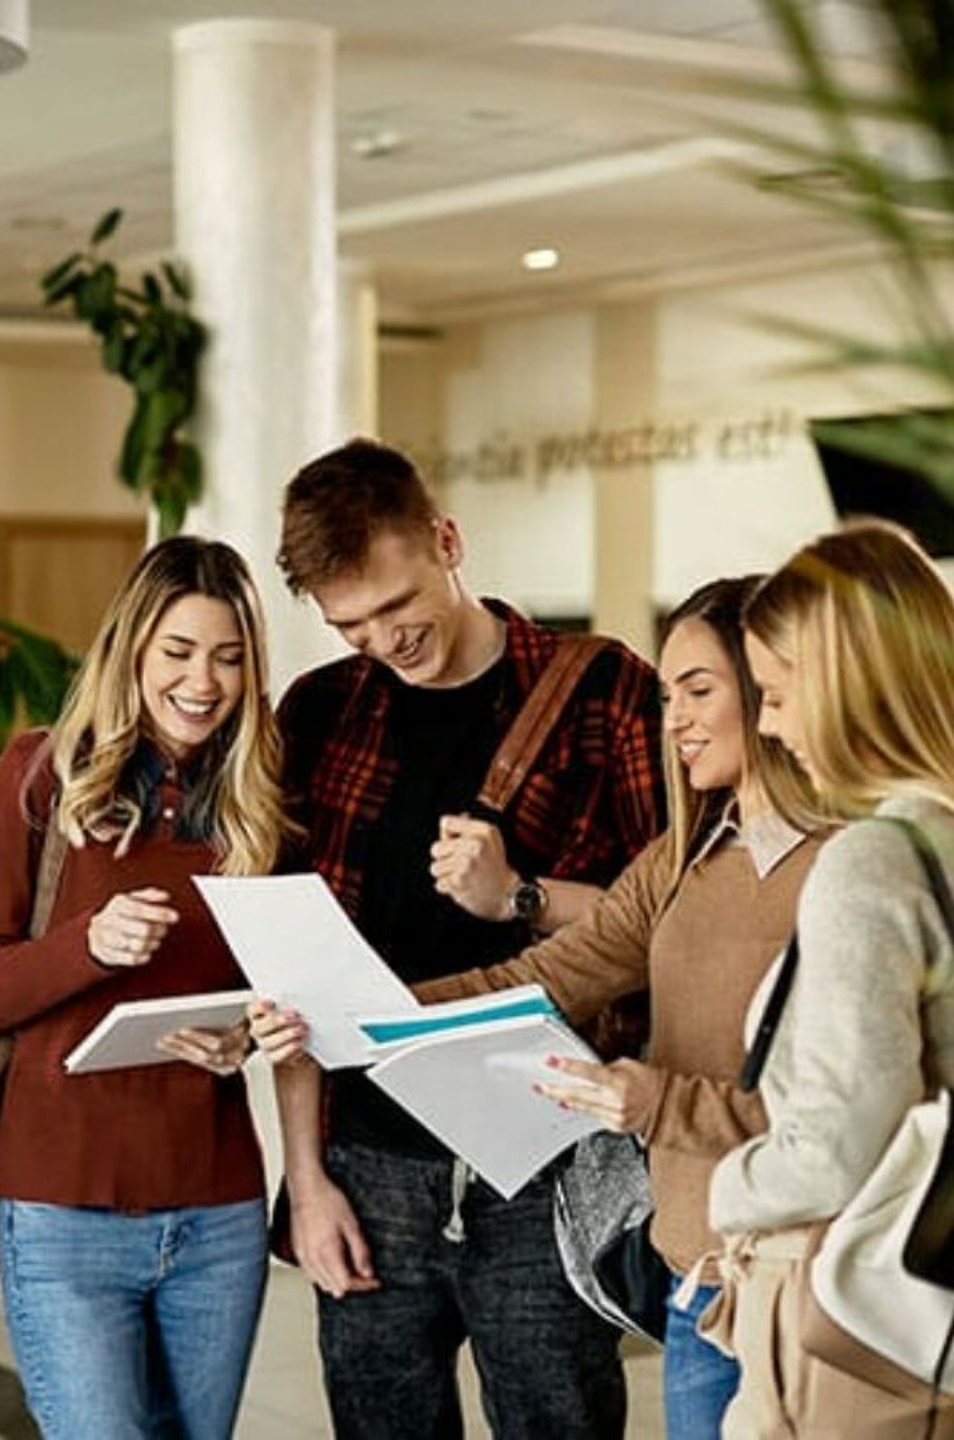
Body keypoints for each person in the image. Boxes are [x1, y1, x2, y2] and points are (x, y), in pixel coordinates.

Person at [309, 576, 820, 1440]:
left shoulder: (853, 864)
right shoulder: (683, 857)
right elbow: (546, 976)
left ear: (774, 685)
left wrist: (651, 1100)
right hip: (698, 1283)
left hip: (810, 1290)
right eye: (667, 696)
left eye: (700, 691)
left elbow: (852, 1110)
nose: (676, 720)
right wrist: (347, 1016)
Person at [254, 438, 664, 1440]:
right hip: (368, 1165)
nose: (384, 640)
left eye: (398, 606)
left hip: (544, 1158)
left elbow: (670, 918)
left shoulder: (605, 693)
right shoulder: (319, 713)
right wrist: (306, 1184)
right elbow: (294, 972)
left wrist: (521, 897)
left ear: (446, 540)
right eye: (350, 624)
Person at [0, 535, 295, 1440]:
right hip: (63, 1213)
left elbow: (280, 983)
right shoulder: (37, 778)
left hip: (218, 1210)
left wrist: (245, 1037)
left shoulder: (255, 797)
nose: (203, 682)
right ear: (131, 649)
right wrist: (89, 946)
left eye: (228, 657)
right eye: (178, 653)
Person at [705, 521, 954, 1439]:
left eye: (773, 693)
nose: (768, 725)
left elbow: (840, 1146)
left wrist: (727, 1190)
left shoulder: (873, 862)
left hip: (848, 1310)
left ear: (850, 684)